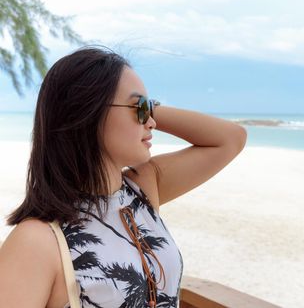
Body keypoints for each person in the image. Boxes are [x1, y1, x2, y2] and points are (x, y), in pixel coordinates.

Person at [0, 45, 247, 307]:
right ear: (88, 113)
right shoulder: (36, 240)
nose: (151, 121)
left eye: (150, 108)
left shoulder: (141, 191)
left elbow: (231, 139)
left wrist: (145, 106)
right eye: (139, 108)